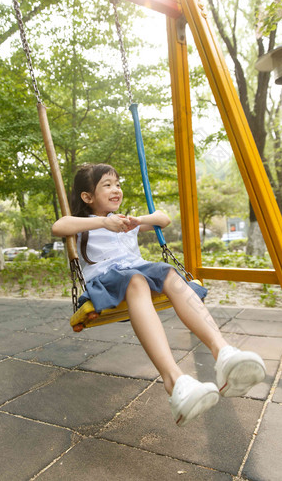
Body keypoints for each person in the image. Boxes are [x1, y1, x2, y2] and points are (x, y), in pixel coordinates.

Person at [52, 163, 266, 427]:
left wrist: (137, 221)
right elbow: (59, 226)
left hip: (136, 271)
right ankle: (175, 381)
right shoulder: (86, 224)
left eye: (118, 184)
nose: (116, 189)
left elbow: (163, 218)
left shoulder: (126, 222)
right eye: (106, 185)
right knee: (137, 281)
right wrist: (104, 223)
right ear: (87, 197)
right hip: (108, 281)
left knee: (168, 273)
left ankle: (223, 353)